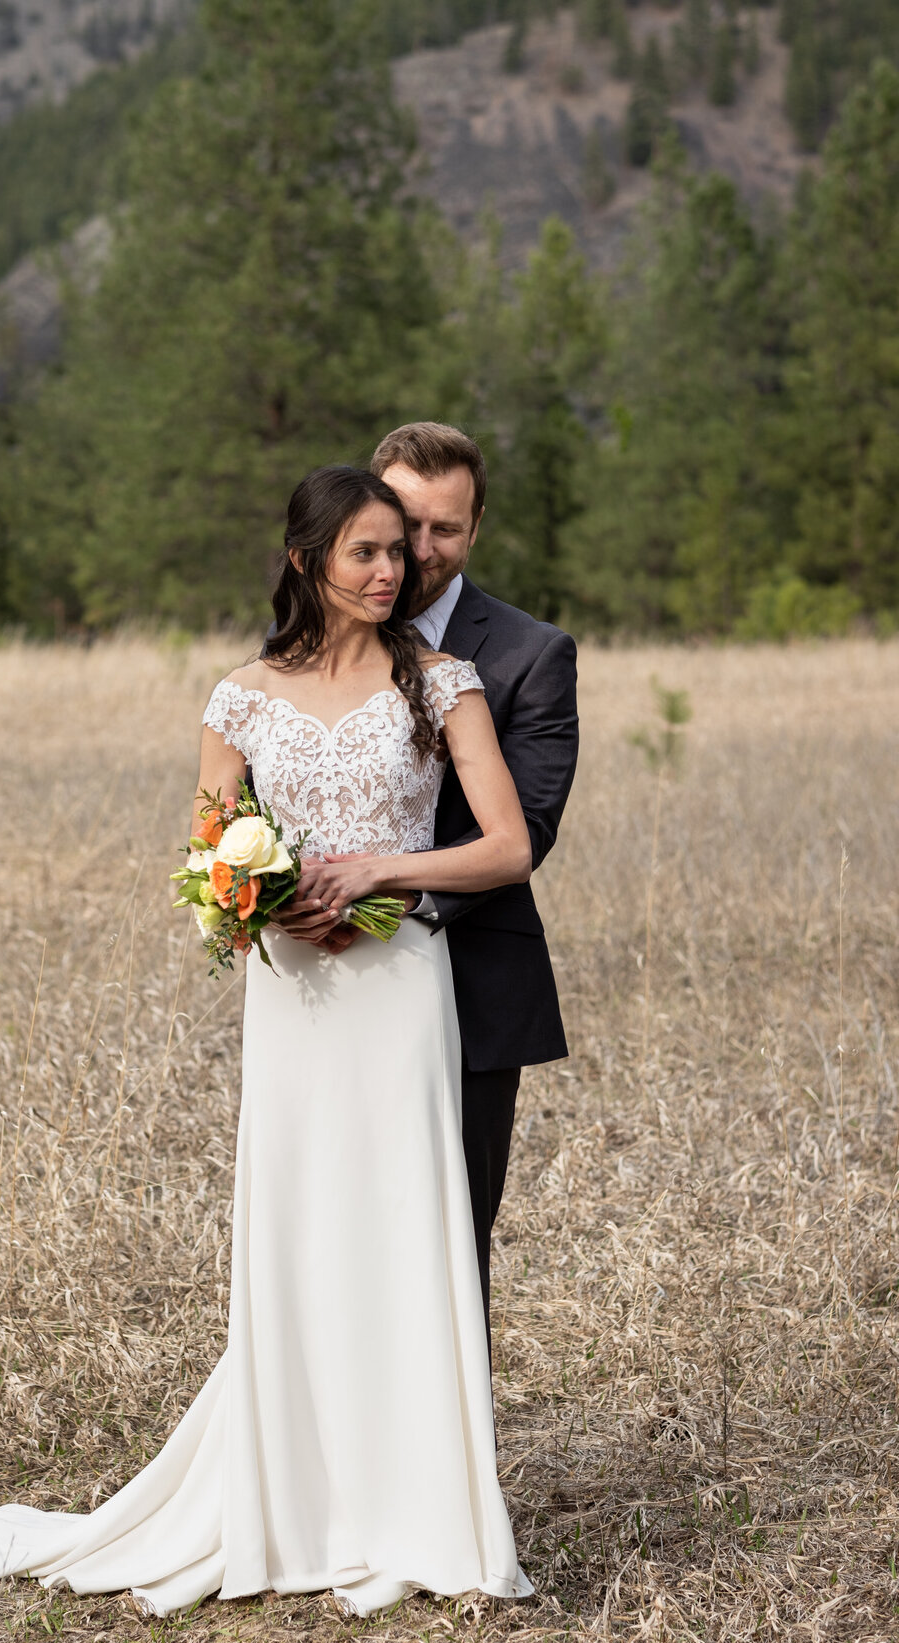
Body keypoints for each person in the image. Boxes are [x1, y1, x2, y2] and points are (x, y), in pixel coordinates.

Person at [0, 465, 536, 1618]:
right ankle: (293, 1502)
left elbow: (507, 846)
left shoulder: (447, 684)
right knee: (303, 1228)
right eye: (364, 552)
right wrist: (257, 904)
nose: (389, 571)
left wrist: (381, 870)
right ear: (306, 560)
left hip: (403, 986)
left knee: (408, 1229)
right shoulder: (240, 696)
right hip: (297, 1001)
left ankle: (423, 1512)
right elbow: (210, 859)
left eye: (398, 553)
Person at [275, 424, 578, 1350]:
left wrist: (376, 894)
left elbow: (525, 829)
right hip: (323, 985)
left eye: (446, 529)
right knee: (324, 1228)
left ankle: (449, 1474)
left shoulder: (529, 653)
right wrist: (284, 896)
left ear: (476, 529)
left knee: (448, 1236)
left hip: (472, 978)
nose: (420, 552)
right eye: (405, 524)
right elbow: (262, 801)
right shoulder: (300, 644)